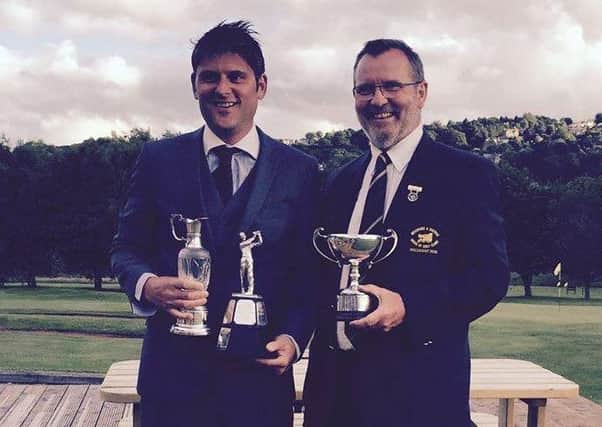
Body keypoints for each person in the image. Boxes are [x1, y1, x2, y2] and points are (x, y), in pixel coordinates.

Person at [111, 21, 319, 427]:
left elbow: (308, 275)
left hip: (259, 384)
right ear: (194, 85)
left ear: (261, 86)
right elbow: (125, 249)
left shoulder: (302, 171)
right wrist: (148, 285)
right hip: (171, 383)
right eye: (210, 78)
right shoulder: (158, 159)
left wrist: (294, 340)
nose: (223, 89)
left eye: (236, 77)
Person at [303, 39, 509, 427]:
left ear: (421, 92)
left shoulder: (465, 175)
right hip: (333, 402)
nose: (378, 99)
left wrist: (409, 307)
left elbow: (488, 278)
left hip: (418, 401)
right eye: (365, 89)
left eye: (391, 86)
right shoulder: (339, 182)